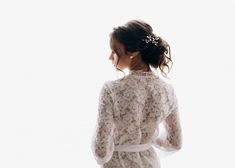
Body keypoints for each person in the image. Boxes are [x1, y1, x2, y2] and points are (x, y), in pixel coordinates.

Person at [91, 19, 183, 168]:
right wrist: (148, 140)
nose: (110, 57)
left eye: (114, 51)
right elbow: (175, 142)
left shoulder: (111, 90)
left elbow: (100, 151)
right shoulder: (168, 91)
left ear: (133, 52)